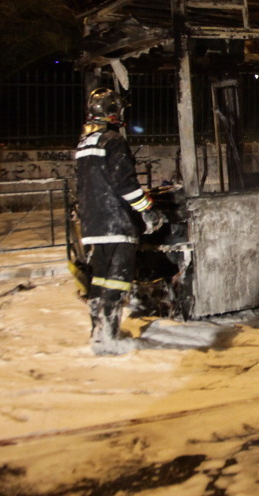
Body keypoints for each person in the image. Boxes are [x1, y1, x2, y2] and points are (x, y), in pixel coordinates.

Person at [75, 87, 166, 355]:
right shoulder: (112, 141)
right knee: (116, 282)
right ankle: (111, 338)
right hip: (117, 225)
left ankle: (98, 333)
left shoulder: (84, 143)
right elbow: (125, 184)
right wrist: (147, 210)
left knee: (99, 281)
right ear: (114, 112)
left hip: (93, 226)